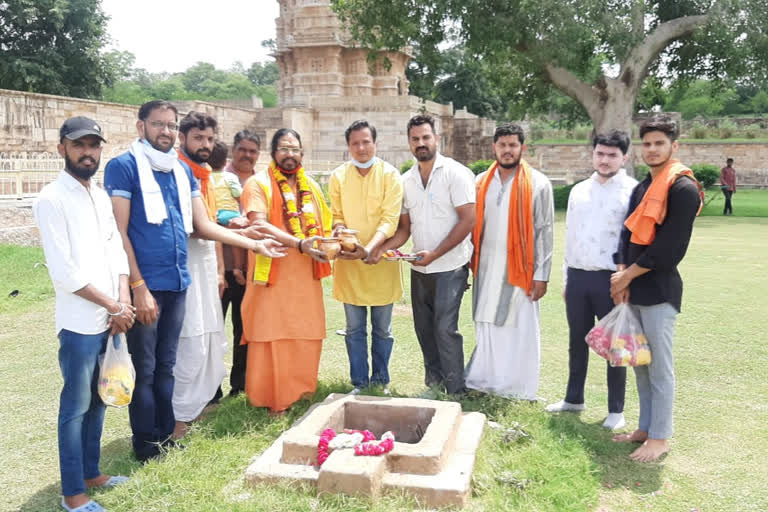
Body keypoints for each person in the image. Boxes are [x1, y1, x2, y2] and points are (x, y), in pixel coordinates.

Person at [104, 100, 284, 461]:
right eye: (159, 125)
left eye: (171, 125)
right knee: (148, 366)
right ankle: (145, 443)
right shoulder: (123, 167)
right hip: (146, 285)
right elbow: (118, 232)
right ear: (141, 127)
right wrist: (138, 288)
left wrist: (254, 243)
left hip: (178, 281)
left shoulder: (182, 172)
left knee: (167, 364)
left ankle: (165, 436)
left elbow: (203, 226)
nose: (166, 131)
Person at [34, 116, 133, 512]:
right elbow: (65, 273)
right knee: (74, 408)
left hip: (111, 319)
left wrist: (122, 300)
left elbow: (116, 253)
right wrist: (113, 306)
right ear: (62, 149)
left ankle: (93, 473)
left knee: (98, 400)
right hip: (79, 323)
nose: (88, 152)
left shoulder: (100, 195)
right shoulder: (50, 199)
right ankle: (73, 493)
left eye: (94, 145)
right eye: (79, 145)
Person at [611, 115, 703, 462]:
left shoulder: (682, 188)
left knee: (660, 366)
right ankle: (646, 428)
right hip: (633, 288)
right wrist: (621, 275)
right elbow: (625, 234)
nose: (651, 149)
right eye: (647, 143)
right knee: (641, 362)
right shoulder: (642, 187)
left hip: (659, 291)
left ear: (674, 146)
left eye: (659, 143)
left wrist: (627, 276)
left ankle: (660, 438)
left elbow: (670, 249)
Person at [376, 114, 476, 395]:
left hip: (450, 266)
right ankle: (434, 387)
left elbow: (468, 220)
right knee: (424, 330)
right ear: (409, 142)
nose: (421, 143)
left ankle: (456, 391)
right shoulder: (406, 180)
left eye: (426, 137)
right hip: (419, 267)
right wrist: (383, 249)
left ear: (437, 139)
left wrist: (436, 252)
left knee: (445, 329)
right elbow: (404, 230)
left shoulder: (455, 173)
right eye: (415, 139)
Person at [545, 130, 637, 429]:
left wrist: (626, 282)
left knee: (615, 343)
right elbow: (570, 235)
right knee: (577, 340)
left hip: (611, 278)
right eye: (600, 153)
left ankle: (615, 410)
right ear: (593, 154)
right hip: (577, 276)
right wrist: (565, 278)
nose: (605, 160)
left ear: (624, 157)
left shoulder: (632, 191)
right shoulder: (579, 191)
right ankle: (574, 399)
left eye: (612, 155)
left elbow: (635, 240)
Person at [239, 128, 332, 413]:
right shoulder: (258, 184)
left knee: (305, 332)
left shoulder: (312, 187)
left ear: (302, 153)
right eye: (283, 148)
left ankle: (303, 393)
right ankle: (270, 398)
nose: (289, 154)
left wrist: (335, 238)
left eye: (294, 149)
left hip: (306, 276)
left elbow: (324, 225)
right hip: (272, 275)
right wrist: (299, 243)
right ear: (273, 153)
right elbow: (259, 224)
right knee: (271, 334)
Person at [464, 123, 554, 400]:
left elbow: (545, 230)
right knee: (487, 323)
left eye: (513, 145)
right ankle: (484, 380)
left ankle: (517, 387)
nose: (507, 150)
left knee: (518, 327)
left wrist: (542, 274)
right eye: (502, 145)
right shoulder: (480, 182)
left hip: (521, 269)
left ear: (522, 148)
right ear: (494, 147)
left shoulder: (538, 183)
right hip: (487, 266)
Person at [329, 120, 404, 394]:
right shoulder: (338, 176)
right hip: (349, 265)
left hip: (380, 264)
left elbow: (389, 219)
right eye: (355, 143)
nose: (361, 148)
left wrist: (370, 249)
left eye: (366, 142)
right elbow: (336, 216)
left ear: (375, 143)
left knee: (382, 330)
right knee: (354, 330)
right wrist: (340, 232)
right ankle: (360, 383)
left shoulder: (391, 175)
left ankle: (381, 381)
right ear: (348, 146)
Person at [171, 112, 229, 438]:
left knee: (210, 336)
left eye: (209, 139)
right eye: (198, 138)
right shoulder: (177, 171)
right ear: (183, 138)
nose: (205, 145)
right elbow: (198, 229)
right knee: (190, 340)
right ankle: (178, 421)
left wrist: (220, 269)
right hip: (186, 264)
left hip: (206, 265)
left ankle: (194, 410)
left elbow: (212, 228)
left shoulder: (204, 175)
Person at [217, 130, 262, 397]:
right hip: (219, 268)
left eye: (252, 151)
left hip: (252, 269)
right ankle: (210, 391)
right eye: (243, 149)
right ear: (233, 150)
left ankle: (240, 386)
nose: (247, 155)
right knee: (212, 331)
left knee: (244, 330)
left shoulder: (262, 183)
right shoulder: (218, 179)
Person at [211, 141, 243, 227]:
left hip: (213, 215)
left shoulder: (205, 178)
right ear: (225, 162)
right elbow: (239, 195)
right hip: (231, 216)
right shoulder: (230, 177)